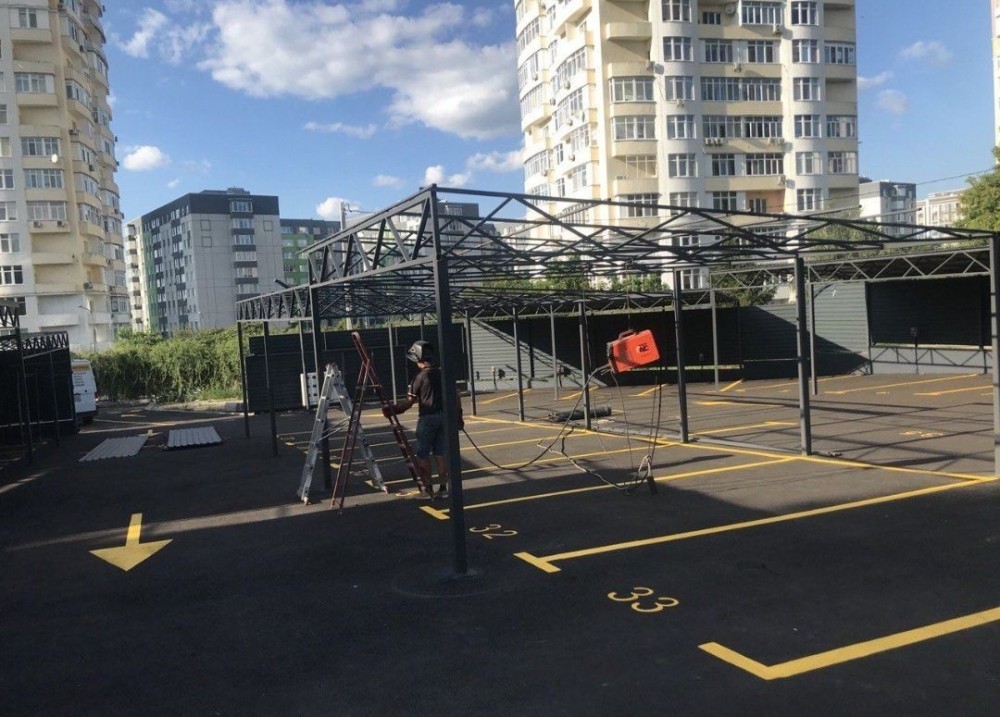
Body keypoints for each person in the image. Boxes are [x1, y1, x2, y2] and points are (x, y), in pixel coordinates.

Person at [383, 340, 462, 499]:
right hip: (444, 418)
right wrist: (458, 417)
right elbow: (456, 396)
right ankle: (443, 489)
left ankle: (427, 490)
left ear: (420, 360)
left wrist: (393, 410)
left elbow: (409, 403)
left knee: (422, 454)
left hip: (427, 419)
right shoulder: (444, 374)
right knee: (440, 453)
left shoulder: (419, 378)